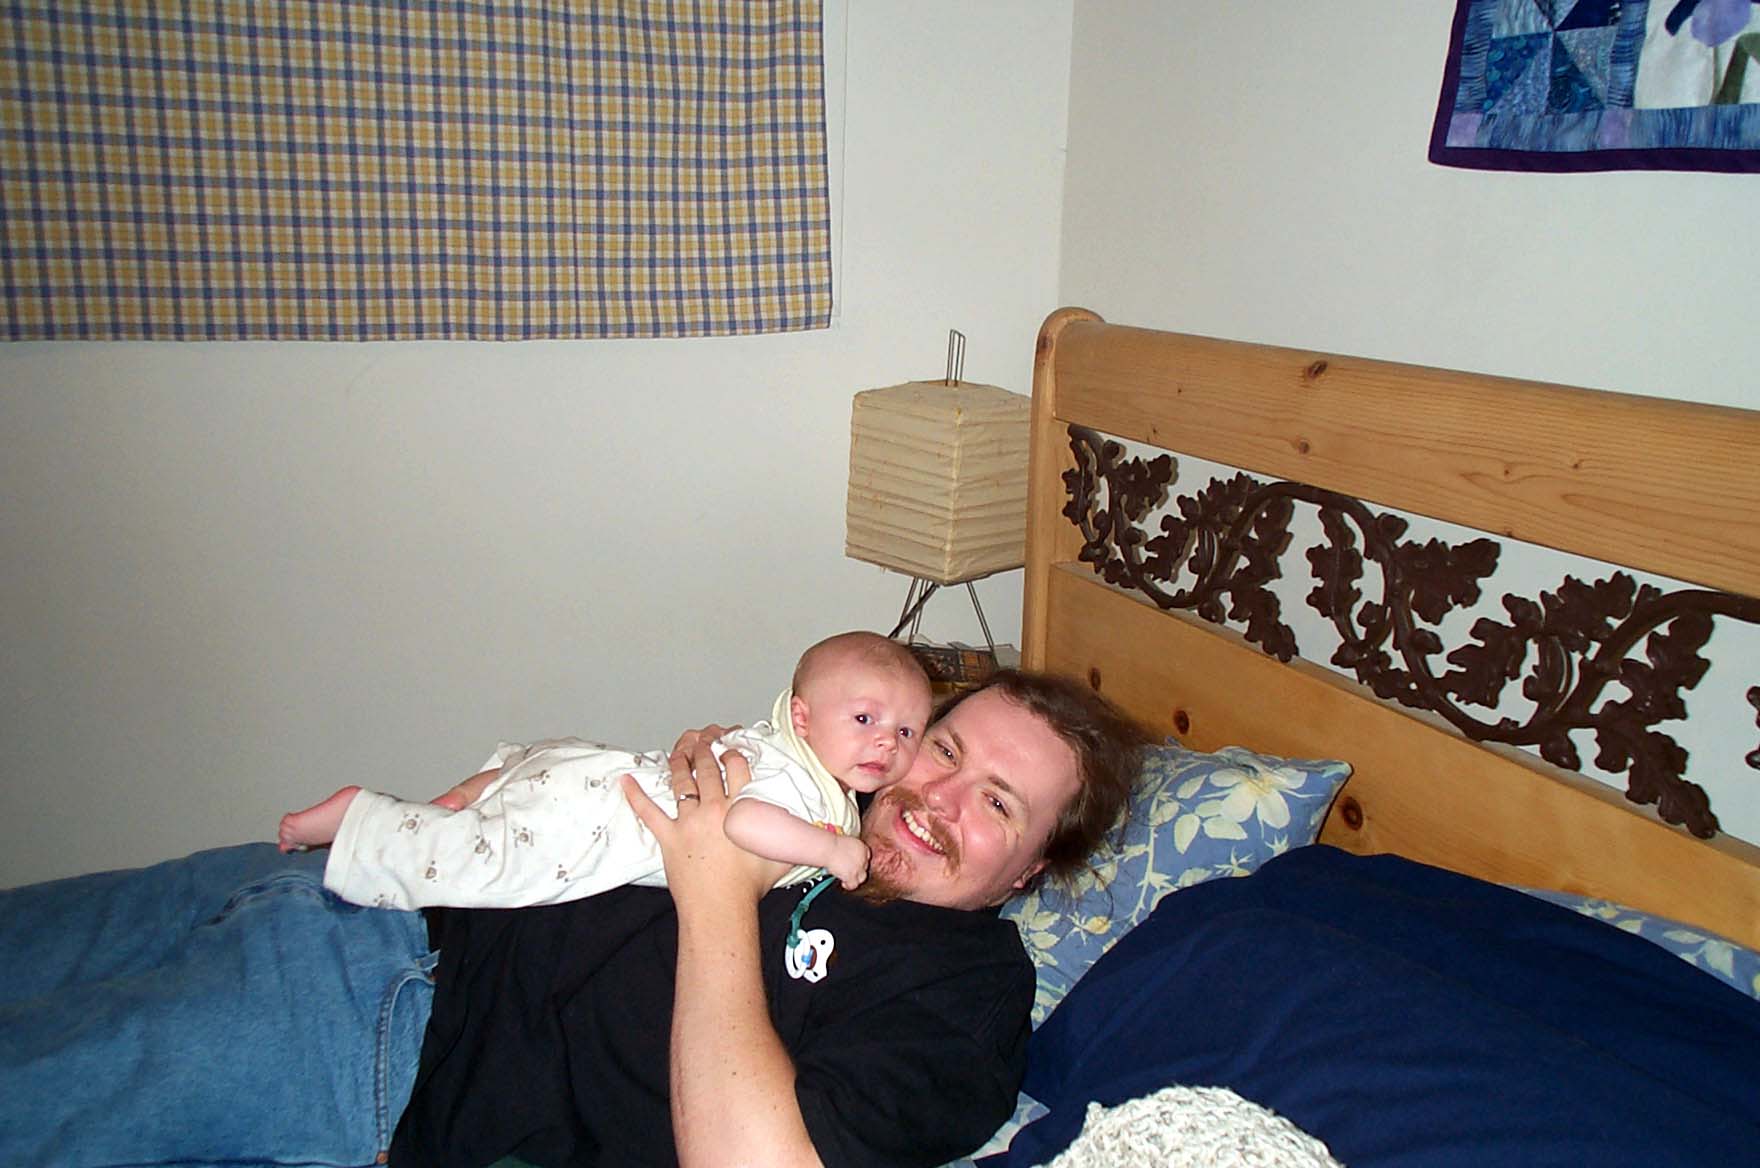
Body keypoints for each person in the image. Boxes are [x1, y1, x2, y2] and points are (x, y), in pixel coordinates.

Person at [0, 669, 1144, 1168]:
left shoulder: (966, 995)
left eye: (997, 803)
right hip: (356, 872)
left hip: (379, 1023)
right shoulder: (826, 800)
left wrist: (710, 885)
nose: (935, 797)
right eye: (943, 749)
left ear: (1031, 869)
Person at [276, 631, 932, 904]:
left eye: (908, 732)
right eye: (865, 719)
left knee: (486, 817)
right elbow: (742, 821)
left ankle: (448, 803)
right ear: (802, 718)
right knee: (484, 866)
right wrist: (830, 849)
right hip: (599, 820)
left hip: (591, 773)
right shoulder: (798, 782)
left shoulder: (794, 760)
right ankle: (365, 820)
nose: (887, 744)